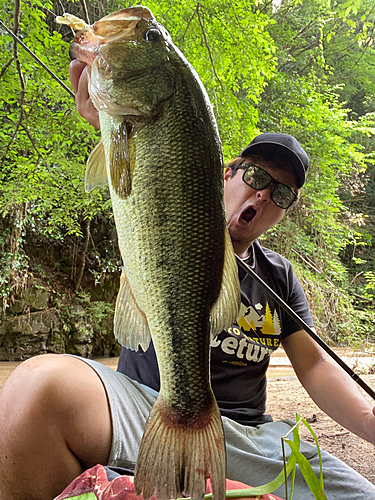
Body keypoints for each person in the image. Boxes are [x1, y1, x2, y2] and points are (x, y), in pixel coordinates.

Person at [0, 59, 374, 500]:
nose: (263, 193)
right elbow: (133, 178)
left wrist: (372, 421)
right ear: (226, 173)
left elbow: (314, 366)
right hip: (144, 406)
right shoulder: (164, 216)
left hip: (250, 438)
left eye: (282, 193)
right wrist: (111, 122)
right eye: (256, 175)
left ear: (284, 209)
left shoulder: (280, 276)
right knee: (35, 390)